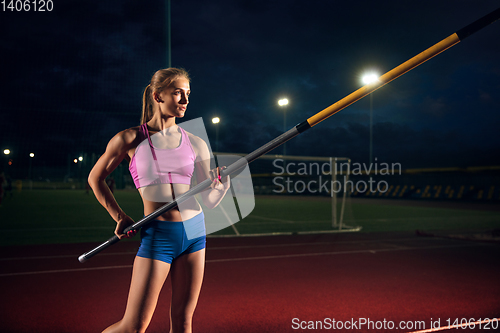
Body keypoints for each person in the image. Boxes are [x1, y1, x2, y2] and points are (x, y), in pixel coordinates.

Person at [88, 68, 230, 333]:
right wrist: (119, 216)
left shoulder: (196, 142)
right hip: (159, 235)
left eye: (188, 94)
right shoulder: (129, 138)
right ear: (157, 95)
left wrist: (220, 188)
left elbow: (209, 201)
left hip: (195, 233)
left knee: (183, 321)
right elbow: (95, 179)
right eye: (178, 93)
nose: (185, 100)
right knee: (134, 326)